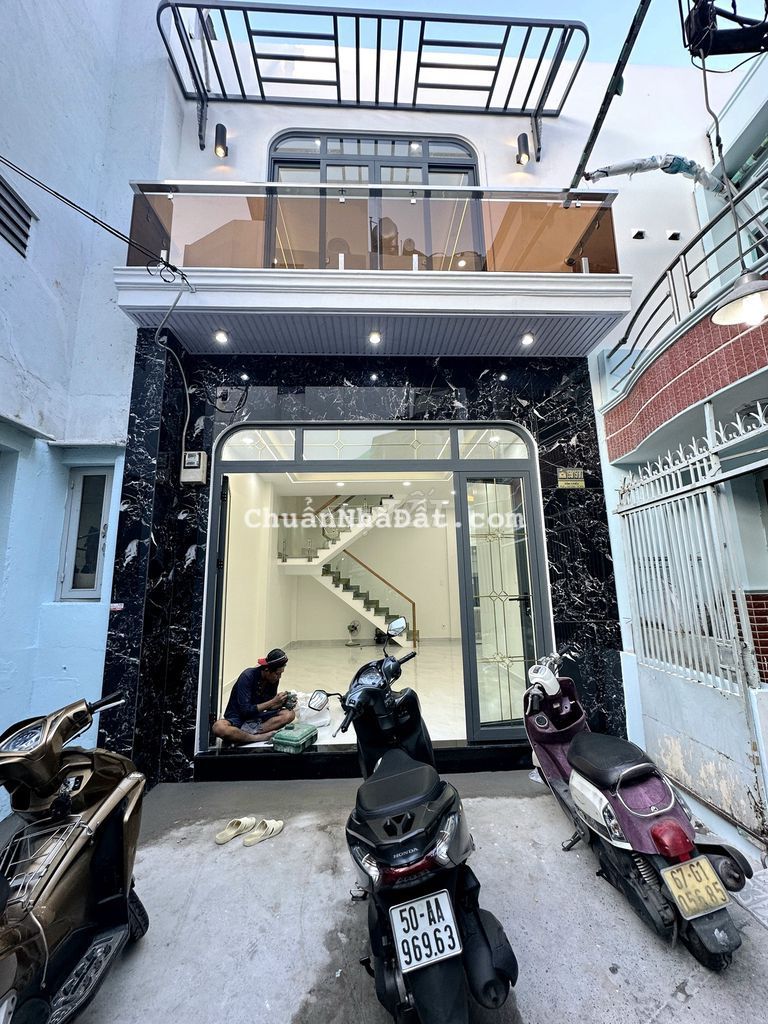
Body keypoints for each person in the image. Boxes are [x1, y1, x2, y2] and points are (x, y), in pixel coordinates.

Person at [212, 648, 294, 745]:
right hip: (238, 718)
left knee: (289, 714)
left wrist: (282, 703)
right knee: (219, 728)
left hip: (256, 718)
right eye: (277, 674)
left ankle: (241, 735)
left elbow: (269, 707)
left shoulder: (273, 680)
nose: (279, 677)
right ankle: (256, 737)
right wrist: (273, 701)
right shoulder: (247, 676)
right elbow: (246, 710)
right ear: (267, 670)